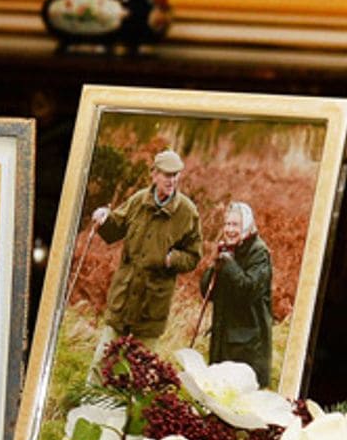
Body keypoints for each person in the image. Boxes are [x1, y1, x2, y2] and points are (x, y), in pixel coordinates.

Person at [91, 149, 202, 350]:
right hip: (123, 298)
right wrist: (103, 220)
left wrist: (172, 259)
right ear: (154, 174)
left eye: (176, 175)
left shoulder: (188, 212)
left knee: (140, 370)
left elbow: (193, 256)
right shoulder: (138, 200)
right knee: (102, 364)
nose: (172, 180)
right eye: (167, 175)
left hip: (152, 305)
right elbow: (115, 229)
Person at [200, 201, 273, 386]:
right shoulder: (228, 251)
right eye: (227, 224)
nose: (229, 230)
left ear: (247, 226)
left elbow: (247, 290)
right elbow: (207, 293)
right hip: (223, 337)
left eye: (235, 225)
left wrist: (229, 264)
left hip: (248, 345)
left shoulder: (259, 253)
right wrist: (215, 263)